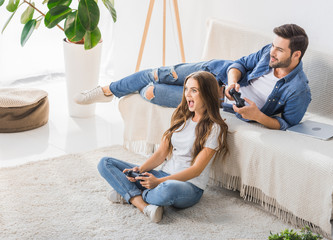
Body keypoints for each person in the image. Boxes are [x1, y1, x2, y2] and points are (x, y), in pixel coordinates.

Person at [75, 24, 310, 130]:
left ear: (296, 55)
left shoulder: (298, 90)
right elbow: (238, 64)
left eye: (280, 50)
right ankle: (106, 91)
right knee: (157, 73)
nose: (272, 52)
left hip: (216, 101)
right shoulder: (267, 53)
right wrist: (231, 81)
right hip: (213, 72)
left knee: (151, 90)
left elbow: (286, 124)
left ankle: (116, 91)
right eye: (273, 46)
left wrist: (257, 116)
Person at [97, 71, 228, 223]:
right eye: (186, 89)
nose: (187, 94)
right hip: (162, 176)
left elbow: (196, 170)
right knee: (105, 163)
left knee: (167, 189)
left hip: (188, 186)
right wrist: (139, 171)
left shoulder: (215, 128)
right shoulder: (181, 119)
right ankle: (143, 204)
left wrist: (158, 183)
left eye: (194, 90)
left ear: (207, 94)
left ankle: (130, 195)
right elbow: (160, 154)